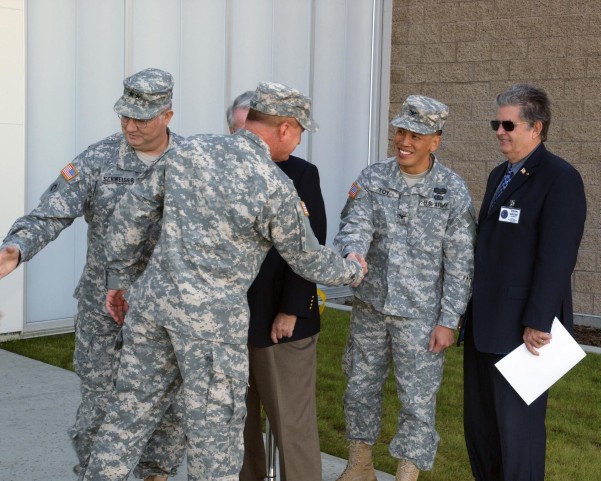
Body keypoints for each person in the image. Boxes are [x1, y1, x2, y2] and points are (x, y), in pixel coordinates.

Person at [81, 81, 366, 481]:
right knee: (214, 444)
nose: (299, 142)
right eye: (300, 132)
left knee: (126, 420)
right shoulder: (274, 185)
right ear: (285, 127)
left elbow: (131, 214)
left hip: (152, 310)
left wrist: (121, 279)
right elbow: (308, 258)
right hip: (212, 328)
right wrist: (353, 268)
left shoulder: (189, 151)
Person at [0, 68, 186, 481]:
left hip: (165, 307)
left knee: (170, 405)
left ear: (167, 116)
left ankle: (156, 474)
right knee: (99, 402)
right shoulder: (98, 159)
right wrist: (16, 247)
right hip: (103, 309)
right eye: (124, 116)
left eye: (141, 117)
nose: (129, 125)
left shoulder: (193, 164)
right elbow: (49, 212)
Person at [333, 95, 476, 481]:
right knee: (359, 387)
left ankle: (407, 474)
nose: (405, 141)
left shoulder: (452, 190)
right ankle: (360, 464)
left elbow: (461, 262)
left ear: (435, 140)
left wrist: (449, 320)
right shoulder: (373, 177)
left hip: (421, 315)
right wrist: (353, 253)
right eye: (400, 131)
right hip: (371, 306)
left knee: (417, 399)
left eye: (416, 134)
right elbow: (353, 225)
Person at [462, 83, 586, 481]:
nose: (499, 131)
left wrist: (539, 320)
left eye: (508, 124)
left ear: (536, 127)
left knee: (519, 435)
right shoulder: (500, 174)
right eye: (496, 123)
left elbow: (558, 257)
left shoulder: (560, 177)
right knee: (482, 430)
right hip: (486, 323)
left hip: (524, 332)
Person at [227, 91, 326, 481]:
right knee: (236, 423)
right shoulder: (218, 172)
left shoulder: (301, 173)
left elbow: (310, 246)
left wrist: (291, 308)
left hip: (279, 317)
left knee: (291, 424)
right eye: (238, 131)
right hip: (228, 320)